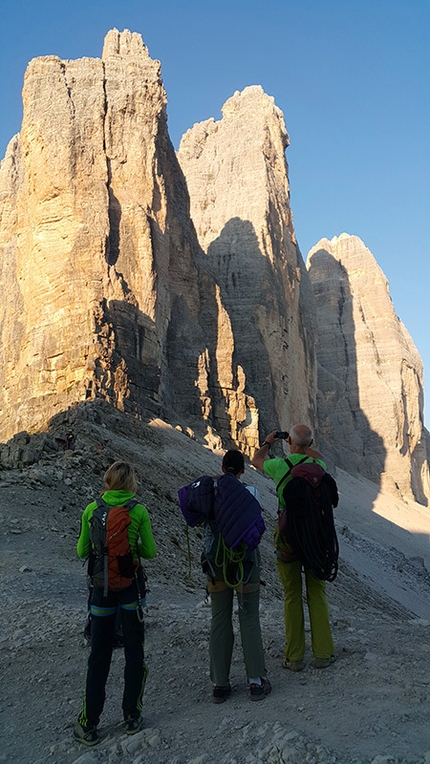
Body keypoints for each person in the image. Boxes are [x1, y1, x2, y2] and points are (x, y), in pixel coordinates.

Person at [74, 461, 156, 746]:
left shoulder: (90, 509)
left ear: (108, 481)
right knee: (134, 652)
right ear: (131, 483)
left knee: (99, 655)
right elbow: (151, 551)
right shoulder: (139, 511)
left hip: (100, 591)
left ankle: (89, 724)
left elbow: (81, 550)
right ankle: (131, 716)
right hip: (130, 590)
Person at [251, 425, 335, 671]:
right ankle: (323, 654)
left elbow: (256, 460)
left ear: (289, 443)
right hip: (315, 537)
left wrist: (269, 442)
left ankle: (294, 657)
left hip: (287, 535)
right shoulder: (317, 466)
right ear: (310, 444)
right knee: (317, 593)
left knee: (292, 595)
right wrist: (305, 445)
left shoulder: (279, 466)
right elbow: (319, 457)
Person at [202, 449, 271, 703]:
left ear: (222, 469)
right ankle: (255, 682)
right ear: (242, 470)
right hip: (246, 566)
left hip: (216, 564)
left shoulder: (209, 493)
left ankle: (220, 685)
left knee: (220, 620)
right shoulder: (250, 493)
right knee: (249, 618)